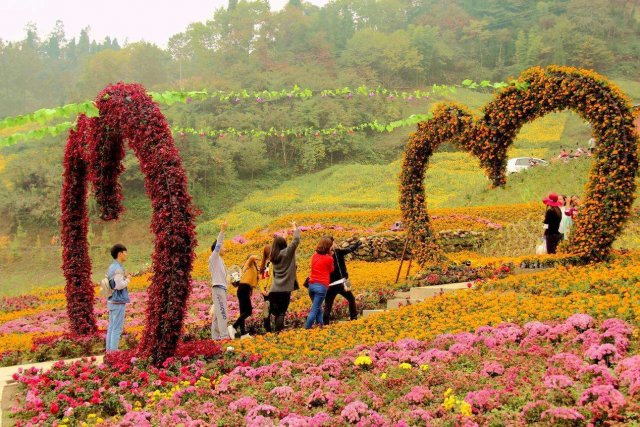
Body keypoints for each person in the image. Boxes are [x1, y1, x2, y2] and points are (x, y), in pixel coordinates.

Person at [268, 222, 301, 332]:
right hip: (284, 289)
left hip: (274, 289)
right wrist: (294, 227)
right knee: (282, 313)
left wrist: (284, 237)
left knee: (277, 313)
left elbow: (280, 245)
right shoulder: (286, 253)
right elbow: (296, 241)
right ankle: (278, 332)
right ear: (283, 244)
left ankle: (276, 330)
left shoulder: (273, 256)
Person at [323, 237, 362, 324]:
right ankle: (354, 318)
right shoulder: (338, 252)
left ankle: (325, 324)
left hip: (330, 285)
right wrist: (358, 243)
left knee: (328, 304)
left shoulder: (323, 255)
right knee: (351, 299)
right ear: (332, 243)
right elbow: (349, 249)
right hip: (341, 283)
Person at [209, 221, 233, 340]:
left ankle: (215, 338)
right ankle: (224, 337)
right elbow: (218, 245)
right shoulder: (213, 257)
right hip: (218, 289)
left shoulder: (220, 261)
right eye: (223, 246)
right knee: (223, 313)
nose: (225, 248)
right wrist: (222, 231)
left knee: (217, 315)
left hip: (221, 289)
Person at [106, 243, 131, 352]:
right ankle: (113, 353)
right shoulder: (118, 268)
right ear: (120, 254)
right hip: (117, 301)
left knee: (111, 327)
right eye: (125, 253)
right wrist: (128, 279)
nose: (126, 255)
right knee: (117, 328)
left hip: (111, 301)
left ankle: (109, 352)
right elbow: (119, 285)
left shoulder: (112, 267)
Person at [306, 237, 334, 329]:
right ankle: (306, 330)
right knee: (314, 311)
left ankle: (321, 327)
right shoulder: (329, 259)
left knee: (318, 308)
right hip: (321, 287)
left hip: (311, 286)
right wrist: (331, 256)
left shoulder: (314, 256)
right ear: (328, 247)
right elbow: (331, 270)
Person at [231, 254, 259, 338]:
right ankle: (233, 327)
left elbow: (250, 280)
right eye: (256, 260)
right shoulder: (249, 264)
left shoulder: (252, 267)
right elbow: (251, 257)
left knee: (243, 312)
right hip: (243, 289)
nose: (257, 261)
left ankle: (243, 334)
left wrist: (251, 290)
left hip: (244, 289)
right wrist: (261, 256)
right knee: (248, 311)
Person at [259, 245, 273, 332]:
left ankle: (267, 329)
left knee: (267, 309)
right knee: (270, 309)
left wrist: (262, 290)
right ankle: (269, 330)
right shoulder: (271, 264)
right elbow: (271, 277)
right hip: (268, 290)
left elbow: (260, 279)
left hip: (265, 290)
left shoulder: (262, 264)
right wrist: (268, 289)